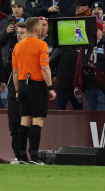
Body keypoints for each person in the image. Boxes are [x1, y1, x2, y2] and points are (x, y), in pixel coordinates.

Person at [12, 17, 56, 164]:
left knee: (24, 120)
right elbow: (45, 68)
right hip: (36, 85)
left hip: (22, 86)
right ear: (37, 29)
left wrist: (17, 91)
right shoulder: (42, 44)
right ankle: (35, 158)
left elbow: (15, 72)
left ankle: (22, 157)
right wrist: (50, 87)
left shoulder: (18, 46)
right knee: (37, 121)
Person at [73, 14, 105, 111]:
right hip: (89, 87)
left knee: (104, 114)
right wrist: (77, 85)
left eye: (95, 30)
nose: (92, 32)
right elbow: (79, 67)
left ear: (101, 31)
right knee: (91, 116)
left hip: (103, 87)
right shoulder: (85, 46)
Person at [6, 21, 27, 164]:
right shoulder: (13, 50)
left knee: (27, 126)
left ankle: (30, 156)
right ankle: (18, 156)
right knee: (14, 125)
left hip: (28, 90)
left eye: (22, 33)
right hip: (13, 91)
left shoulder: (36, 49)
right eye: (17, 33)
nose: (18, 35)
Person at [0, 0, 28, 73]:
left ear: (23, 8)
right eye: (14, 7)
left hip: (24, 59)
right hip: (6, 60)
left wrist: (20, 31)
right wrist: (6, 32)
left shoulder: (29, 21)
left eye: (18, 6)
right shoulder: (4, 22)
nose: (16, 9)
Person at [49, 46, 82, 110]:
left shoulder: (80, 49)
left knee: (79, 113)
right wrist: (54, 76)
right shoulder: (59, 49)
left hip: (77, 87)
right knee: (60, 112)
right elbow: (49, 65)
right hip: (62, 87)